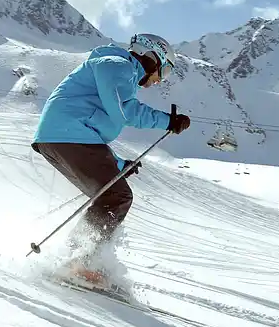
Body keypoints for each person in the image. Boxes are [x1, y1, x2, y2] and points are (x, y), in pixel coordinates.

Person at [31, 33, 191, 281]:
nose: (159, 81)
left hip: (65, 136)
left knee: (111, 194)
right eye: (164, 71)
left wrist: (118, 164)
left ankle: (77, 258)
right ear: (152, 57)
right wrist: (167, 121)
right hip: (67, 135)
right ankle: (79, 261)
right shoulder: (116, 65)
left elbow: (93, 134)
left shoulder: (118, 71)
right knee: (116, 196)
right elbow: (124, 111)